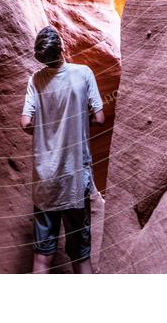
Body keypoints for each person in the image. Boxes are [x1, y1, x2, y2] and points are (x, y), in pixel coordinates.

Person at [21, 25, 105, 273]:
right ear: (63, 46)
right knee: (81, 257)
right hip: (75, 181)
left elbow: (25, 122)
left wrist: (47, 127)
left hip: (45, 182)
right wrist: (78, 120)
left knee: (42, 257)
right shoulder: (84, 73)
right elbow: (100, 119)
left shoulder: (35, 80)